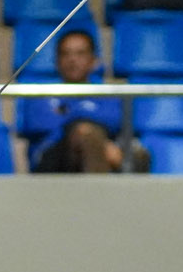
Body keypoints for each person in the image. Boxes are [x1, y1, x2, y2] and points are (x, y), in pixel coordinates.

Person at [22, 29, 150, 174]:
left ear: (94, 61)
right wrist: (84, 124)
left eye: (80, 53)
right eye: (66, 53)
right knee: (85, 133)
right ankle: (98, 194)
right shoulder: (40, 95)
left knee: (139, 154)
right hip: (52, 161)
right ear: (56, 61)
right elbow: (42, 126)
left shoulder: (108, 94)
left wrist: (69, 113)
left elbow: (116, 122)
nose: (72, 60)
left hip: (100, 154)